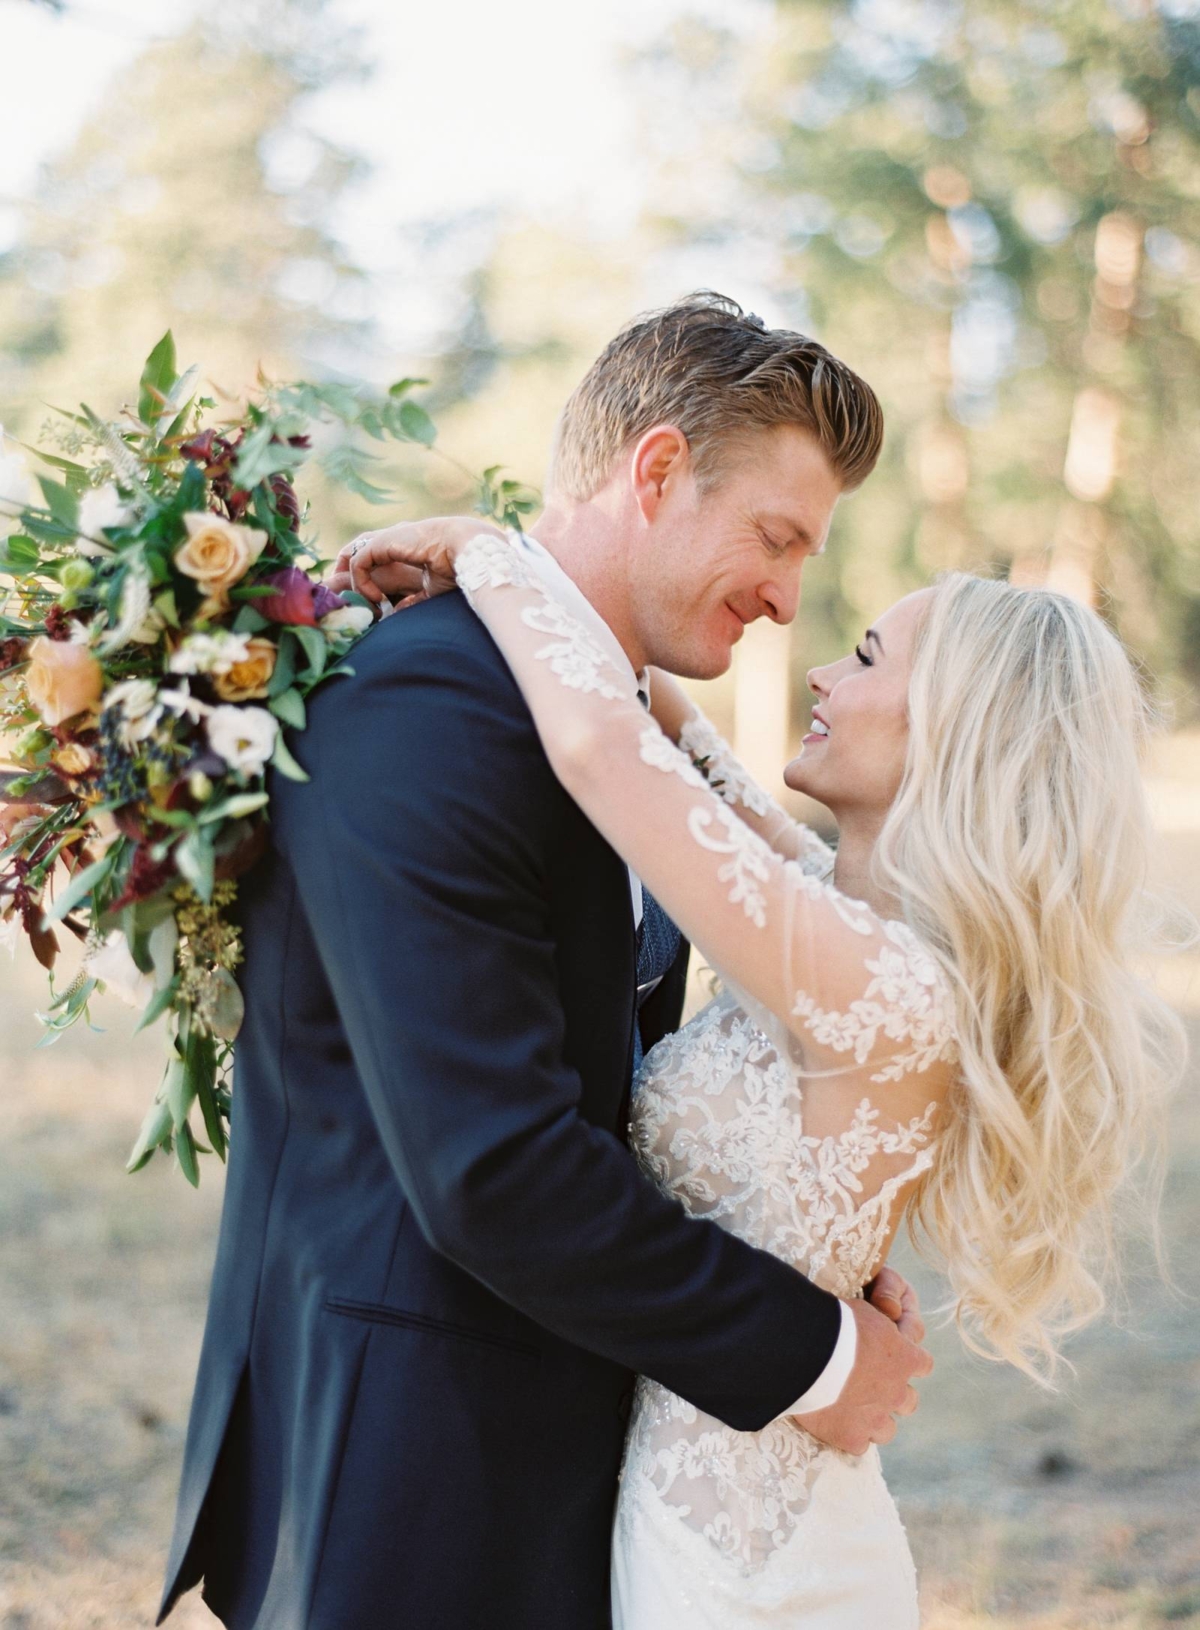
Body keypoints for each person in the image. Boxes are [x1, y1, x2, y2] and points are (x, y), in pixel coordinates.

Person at [158, 294, 933, 1630]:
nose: (789, 597)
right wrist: (811, 1350)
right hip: (405, 1470)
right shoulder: (433, 699)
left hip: (572, 1461)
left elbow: (607, 1073)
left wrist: (796, 1221)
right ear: (657, 471)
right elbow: (493, 1165)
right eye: (775, 535)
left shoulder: (614, 730)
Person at [338, 513, 1184, 1629]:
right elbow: (688, 754)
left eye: (870, 657)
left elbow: (607, 755)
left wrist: (493, 551)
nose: (825, 669)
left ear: (958, 731)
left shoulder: (874, 979)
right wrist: (596, 585)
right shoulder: (845, 914)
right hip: (702, 1504)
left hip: (746, 1569)